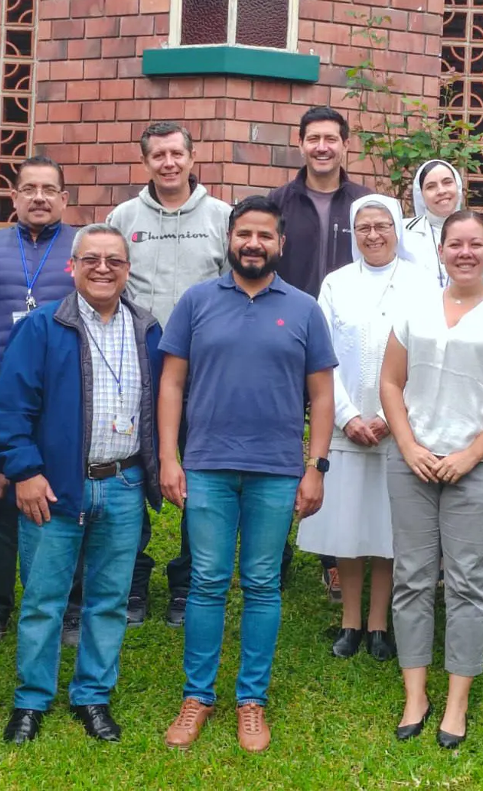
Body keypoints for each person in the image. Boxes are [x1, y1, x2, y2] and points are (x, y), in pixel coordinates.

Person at [159, 196, 337, 753]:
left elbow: (323, 395)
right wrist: (169, 456)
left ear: (280, 244)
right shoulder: (196, 302)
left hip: (277, 470)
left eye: (264, 235)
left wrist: (317, 467)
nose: (253, 244)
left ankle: (251, 701)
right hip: (208, 465)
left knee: (262, 584)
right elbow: (170, 385)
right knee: (208, 582)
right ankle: (197, 697)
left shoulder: (305, 309)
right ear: (229, 240)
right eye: (244, 234)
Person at [0, 224, 164, 745]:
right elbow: (10, 406)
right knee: (44, 598)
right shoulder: (44, 326)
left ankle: (93, 695)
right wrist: (24, 471)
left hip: (122, 482)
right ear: (72, 266)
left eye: (114, 260)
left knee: (109, 599)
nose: (103, 269)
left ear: (127, 269)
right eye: (91, 259)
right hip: (55, 486)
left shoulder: (147, 328)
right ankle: (31, 701)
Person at [381, 209, 483, 748]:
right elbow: (389, 381)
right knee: (412, 577)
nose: (465, 252)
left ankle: (456, 702)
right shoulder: (414, 308)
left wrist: (471, 455)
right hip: (414, 463)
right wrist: (407, 446)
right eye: (455, 244)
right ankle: (415, 693)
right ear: (442, 250)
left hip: (481, 466)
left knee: (468, 584)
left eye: (475, 243)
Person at [108, 121, 231, 628]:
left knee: (197, 471)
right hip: (137, 362)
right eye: (158, 155)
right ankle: (132, 579)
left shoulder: (221, 216)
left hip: (205, 368)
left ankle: (187, 583)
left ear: (192, 155)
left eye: (177, 153)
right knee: (132, 467)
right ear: (146, 161)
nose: (169, 163)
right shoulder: (124, 216)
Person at [0, 155, 79, 650]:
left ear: (65, 198)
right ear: (14, 196)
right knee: (0, 501)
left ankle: (68, 606)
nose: (39, 198)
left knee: (65, 500)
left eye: (50, 189)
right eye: (29, 188)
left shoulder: (82, 246)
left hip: (65, 395)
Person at [299, 195, 429, 661]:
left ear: (397, 229)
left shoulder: (421, 283)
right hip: (346, 424)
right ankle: (350, 620)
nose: (373, 235)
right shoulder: (336, 284)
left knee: (389, 527)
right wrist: (348, 416)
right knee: (349, 526)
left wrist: (394, 417)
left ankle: (380, 623)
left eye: (382, 225)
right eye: (364, 227)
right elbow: (322, 356)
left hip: (401, 426)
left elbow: (429, 355)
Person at [268, 106, 370, 600]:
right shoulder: (278, 202)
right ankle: (275, 552)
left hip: (348, 344)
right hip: (288, 335)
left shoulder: (366, 205)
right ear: (301, 143)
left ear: (345, 144)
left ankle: (335, 557)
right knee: (284, 442)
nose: (323, 146)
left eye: (332, 137)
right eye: (314, 138)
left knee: (336, 445)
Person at [401, 158, 463, 287]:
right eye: (431, 186)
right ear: (421, 195)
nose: (441, 191)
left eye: (447, 183)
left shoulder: (476, 232)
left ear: (457, 187)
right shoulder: (402, 233)